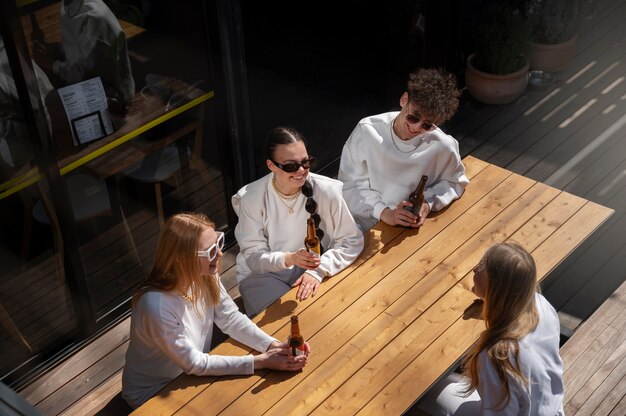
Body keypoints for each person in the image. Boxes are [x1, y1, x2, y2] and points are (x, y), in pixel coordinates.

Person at [121, 213, 309, 409]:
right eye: (210, 251)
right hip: (155, 392)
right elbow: (194, 363)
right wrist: (259, 362)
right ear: (181, 259)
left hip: (191, 374)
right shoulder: (155, 306)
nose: (220, 254)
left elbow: (231, 319)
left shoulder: (205, 274)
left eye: (218, 242)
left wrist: (273, 346)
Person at [418, 242, 565, 415]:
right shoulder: (541, 305)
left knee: (428, 392)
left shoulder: (496, 356)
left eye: (481, 266)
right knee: (453, 381)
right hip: (549, 407)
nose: (474, 269)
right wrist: (488, 310)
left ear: (495, 286)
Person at [232, 126, 364, 317]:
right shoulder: (251, 198)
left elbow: (352, 240)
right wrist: (290, 258)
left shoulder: (326, 190)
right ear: (271, 166)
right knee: (283, 329)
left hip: (310, 266)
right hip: (261, 275)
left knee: (324, 318)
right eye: (292, 166)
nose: (302, 171)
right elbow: (253, 258)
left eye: (306, 162)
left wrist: (319, 270)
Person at [338, 68, 469, 231]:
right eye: (413, 117)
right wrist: (384, 213)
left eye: (427, 125)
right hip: (363, 220)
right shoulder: (368, 130)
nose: (416, 127)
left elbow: (455, 181)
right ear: (404, 100)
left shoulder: (443, 145)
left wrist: (427, 203)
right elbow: (350, 184)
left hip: (409, 226)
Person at [33, 0, 135, 112]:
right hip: (88, 80)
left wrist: (50, 64)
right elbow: (79, 48)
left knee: (45, 104)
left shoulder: (93, 17)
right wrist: (54, 49)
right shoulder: (70, 6)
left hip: (110, 94)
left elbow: (82, 71)